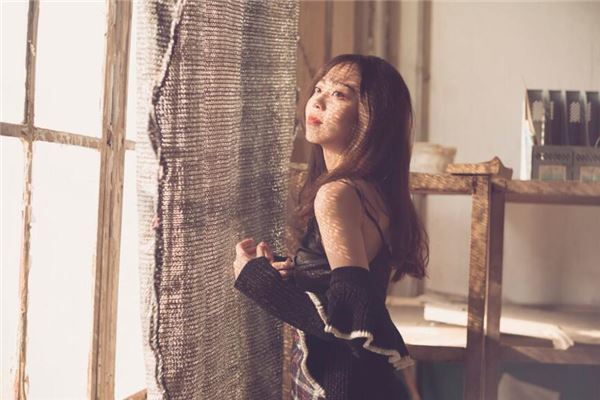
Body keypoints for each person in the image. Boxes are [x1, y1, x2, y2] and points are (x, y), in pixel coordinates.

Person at [233, 54, 429, 400]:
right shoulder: (373, 190)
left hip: (342, 386)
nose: (318, 101)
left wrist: (254, 277)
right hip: (365, 383)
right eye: (319, 89)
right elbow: (345, 289)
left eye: (340, 94)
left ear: (371, 116)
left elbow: (350, 313)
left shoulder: (336, 194)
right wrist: (295, 275)